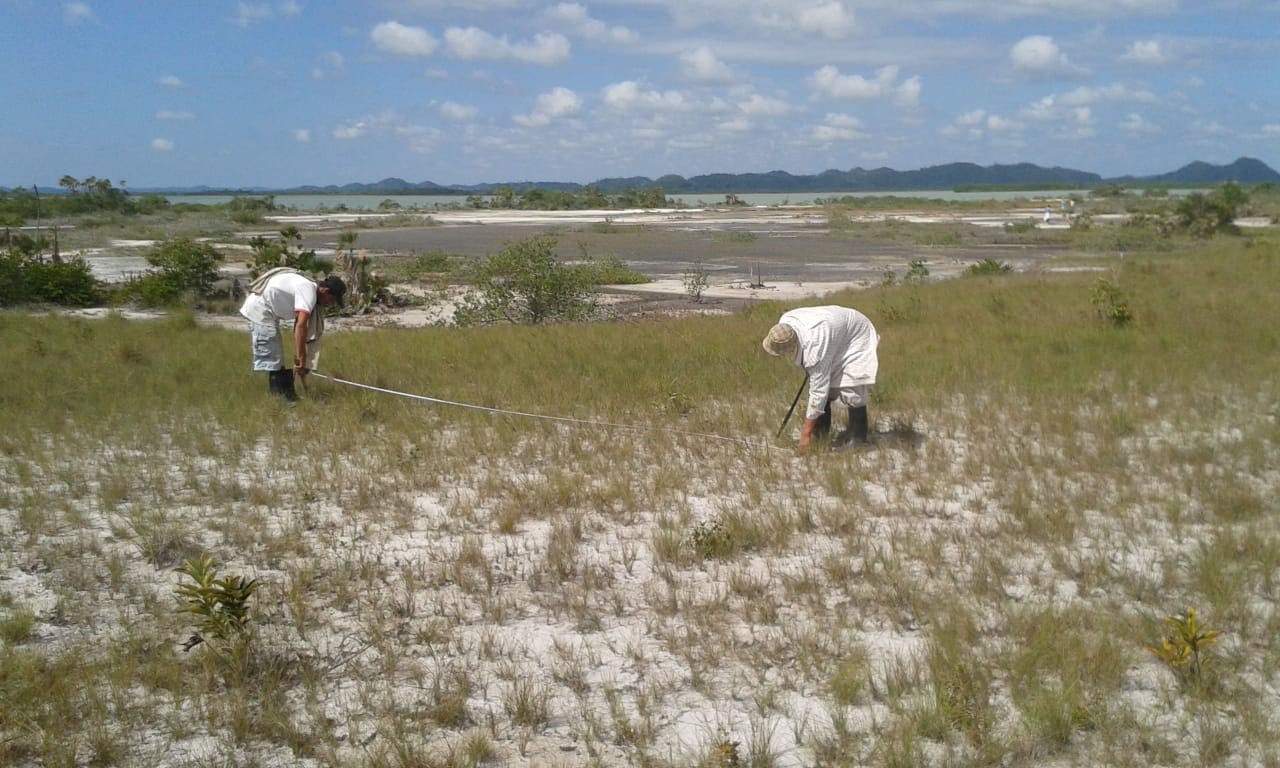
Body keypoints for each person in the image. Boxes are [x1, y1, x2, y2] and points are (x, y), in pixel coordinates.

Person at [762, 305, 879, 449]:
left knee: (850, 385)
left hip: (855, 332)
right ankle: (820, 435)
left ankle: (858, 438)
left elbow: (818, 393)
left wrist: (805, 434)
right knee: (827, 390)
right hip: (832, 332)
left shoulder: (814, 350)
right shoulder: (785, 321)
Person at [239, 267, 346, 400]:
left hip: (269, 313)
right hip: (260, 310)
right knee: (273, 355)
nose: (330, 304)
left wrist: (300, 359)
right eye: (332, 300)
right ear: (325, 291)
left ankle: (285, 395)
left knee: (276, 355)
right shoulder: (308, 291)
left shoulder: (309, 289)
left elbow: (300, 327)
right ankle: (282, 398)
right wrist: (301, 359)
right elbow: (301, 326)